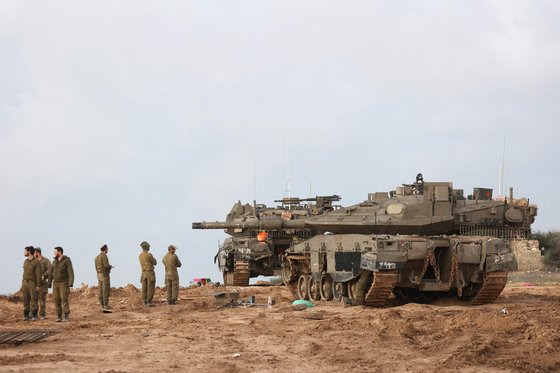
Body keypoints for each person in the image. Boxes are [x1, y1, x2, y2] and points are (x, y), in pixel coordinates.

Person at [50, 246, 74, 322]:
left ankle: (66, 315)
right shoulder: (54, 261)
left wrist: (70, 284)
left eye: (55, 251)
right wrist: (46, 279)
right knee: (56, 299)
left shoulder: (67, 260)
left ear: (59, 252)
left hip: (64, 283)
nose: (54, 253)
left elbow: (71, 273)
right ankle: (59, 316)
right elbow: (50, 272)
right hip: (55, 283)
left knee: (64, 298)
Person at [21, 246, 41, 321]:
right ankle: (26, 315)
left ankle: (34, 315)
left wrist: (38, 285)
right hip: (25, 283)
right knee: (25, 299)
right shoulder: (25, 261)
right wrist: (22, 285)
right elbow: (24, 274)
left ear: (29, 252)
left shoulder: (36, 262)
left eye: (25, 251)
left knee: (34, 299)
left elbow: (38, 275)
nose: (24, 252)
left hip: (32, 283)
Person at [34, 247, 52, 320]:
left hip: (42, 283)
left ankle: (42, 315)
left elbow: (50, 269)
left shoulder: (46, 261)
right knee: (34, 299)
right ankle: (34, 315)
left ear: (38, 253)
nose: (33, 254)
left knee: (42, 300)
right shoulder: (33, 261)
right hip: (34, 283)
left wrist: (44, 275)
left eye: (34, 253)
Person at [95, 244, 113, 310]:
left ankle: (102, 304)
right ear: (105, 249)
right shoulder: (104, 256)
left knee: (100, 289)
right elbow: (106, 266)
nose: (108, 250)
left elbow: (96, 267)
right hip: (105, 275)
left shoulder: (96, 257)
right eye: (107, 248)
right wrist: (110, 267)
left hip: (99, 275)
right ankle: (106, 304)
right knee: (105, 289)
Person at [138, 241, 157, 306]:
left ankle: (144, 301)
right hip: (150, 273)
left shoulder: (140, 255)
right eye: (148, 246)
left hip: (143, 273)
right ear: (146, 247)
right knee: (150, 287)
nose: (149, 248)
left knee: (144, 287)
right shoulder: (149, 255)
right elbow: (155, 262)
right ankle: (149, 301)